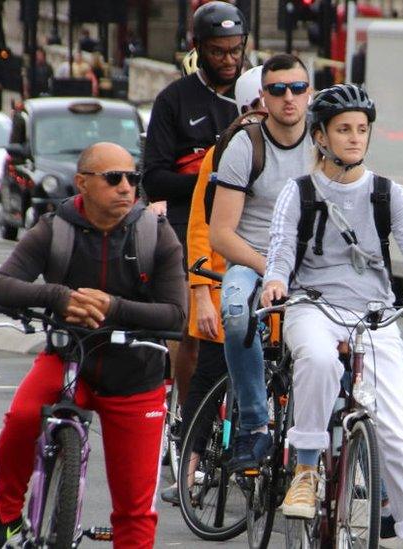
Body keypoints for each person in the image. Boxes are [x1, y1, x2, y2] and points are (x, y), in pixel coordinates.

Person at [260, 83, 403, 549]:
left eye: (362, 129)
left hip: (374, 315)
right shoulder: (299, 191)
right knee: (319, 360)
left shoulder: (389, 193)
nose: (354, 138)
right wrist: (275, 281)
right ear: (321, 137)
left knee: (398, 436)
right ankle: (306, 466)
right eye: (343, 129)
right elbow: (282, 249)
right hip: (313, 305)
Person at [0, 142, 187, 549]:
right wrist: (59, 298)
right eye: (113, 178)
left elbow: (176, 314)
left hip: (136, 374)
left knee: (136, 511)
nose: (126, 187)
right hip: (69, 361)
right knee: (21, 418)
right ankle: (6, 514)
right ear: (83, 183)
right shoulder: (56, 228)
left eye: (133, 178)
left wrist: (113, 306)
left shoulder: (154, 233)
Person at [159, 62, 266, 505]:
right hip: (226, 282)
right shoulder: (224, 154)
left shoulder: (306, 150)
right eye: (260, 102)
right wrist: (201, 292)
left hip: (281, 288)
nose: (272, 109)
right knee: (206, 377)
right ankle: (188, 471)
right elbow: (201, 227)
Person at [208, 53, 313, 470]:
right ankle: (253, 426)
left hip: (308, 260)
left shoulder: (322, 142)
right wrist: (269, 267)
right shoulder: (245, 144)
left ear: (311, 93)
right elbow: (221, 233)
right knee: (235, 312)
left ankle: (344, 436)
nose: (289, 98)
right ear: (263, 97)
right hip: (251, 257)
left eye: (298, 88)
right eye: (277, 90)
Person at [142, 0, 245, 416]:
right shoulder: (174, 100)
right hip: (190, 222)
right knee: (195, 335)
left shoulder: (255, 94)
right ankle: (190, 417)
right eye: (218, 51)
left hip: (247, 222)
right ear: (198, 47)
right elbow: (153, 177)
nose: (229, 59)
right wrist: (211, 179)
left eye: (236, 49)